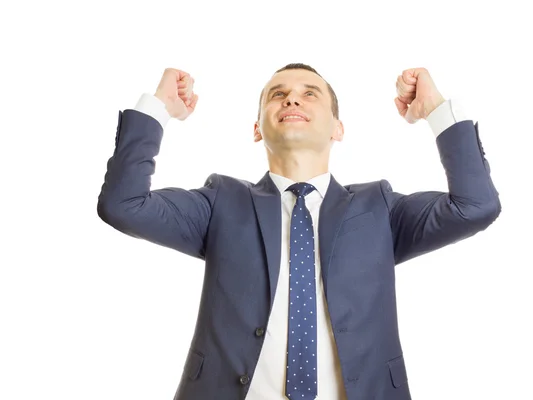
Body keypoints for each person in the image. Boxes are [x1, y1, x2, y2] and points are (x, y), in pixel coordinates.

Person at [97, 63, 501, 400]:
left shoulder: (379, 207)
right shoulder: (221, 201)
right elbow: (123, 205)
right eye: (277, 94)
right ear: (257, 129)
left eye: (310, 94)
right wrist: (156, 110)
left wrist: (435, 110)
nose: (291, 98)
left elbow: (475, 206)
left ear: (337, 129)